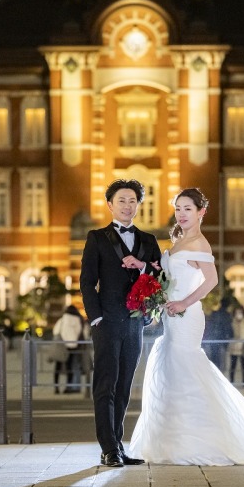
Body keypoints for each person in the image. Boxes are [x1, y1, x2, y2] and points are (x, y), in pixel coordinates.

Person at [129, 188, 244, 465]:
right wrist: (143, 267)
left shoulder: (200, 244)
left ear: (201, 212)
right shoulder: (180, 240)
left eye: (187, 208)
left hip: (187, 316)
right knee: (173, 372)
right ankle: (173, 441)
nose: (182, 214)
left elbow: (211, 281)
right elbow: (167, 274)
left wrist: (184, 302)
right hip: (172, 316)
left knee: (186, 368)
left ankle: (204, 440)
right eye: (178, 209)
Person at [80, 179, 162, 468]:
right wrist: (97, 317)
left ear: (139, 205)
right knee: (105, 385)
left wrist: (151, 311)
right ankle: (108, 449)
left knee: (125, 386)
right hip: (107, 322)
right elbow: (87, 282)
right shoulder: (97, 237)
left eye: (132, 201)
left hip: (134, 324)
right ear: (110, 204)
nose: (128, 206)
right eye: (122, 200)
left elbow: (159, 279)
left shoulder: (149, 240)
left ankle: (118, 444)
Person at [52, 305, 84, 394]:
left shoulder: (62, 319)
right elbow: (79, 332)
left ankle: (56, 388)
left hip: (61, 346)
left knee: (58, 367)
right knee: (70, 367)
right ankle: (68, 387)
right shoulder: (77, 319)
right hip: (72, 345)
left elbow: (55, 331)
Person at [203, 298, 233, 371]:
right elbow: (228, 327)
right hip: (222, 340)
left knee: (213, 358)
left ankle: (214, 372)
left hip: (213, 338)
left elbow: (209, 325)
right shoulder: (227, 315)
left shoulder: (214, 313)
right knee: (221, 360)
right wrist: (231, 335)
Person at [228, 306, 244, 384]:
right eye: (237, 313)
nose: (239, 314)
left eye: (240, 313)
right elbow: (230, 334)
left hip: (243, 347)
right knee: (233, 365)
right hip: (233, 348)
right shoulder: (231, 323)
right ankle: (231, 382)